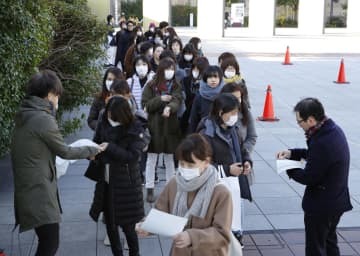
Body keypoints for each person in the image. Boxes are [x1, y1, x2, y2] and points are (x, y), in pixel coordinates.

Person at [11, 70, 102, 256]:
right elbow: (65, 151)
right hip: (39, 190)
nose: (58, 99)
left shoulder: (26, 114)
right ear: (49, 94)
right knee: (50, 242)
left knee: (47, 239)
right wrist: (94, 150)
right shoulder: (43, 119)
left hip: (29, 187)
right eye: (57, 95)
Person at [276, 98, 353, 256]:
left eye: (300, 122)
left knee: (315, 247)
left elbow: (309, 177)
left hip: (322, 205)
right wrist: (293, 153)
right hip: (336, 200)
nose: (299, 125)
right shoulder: (331, 129)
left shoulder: (322, 141)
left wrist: (288, 167)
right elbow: (317, 156)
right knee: (329, 242)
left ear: (310, 120)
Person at [136, 133, 233, 256]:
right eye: (182, 164)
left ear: (206, 162)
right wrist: (147, 226)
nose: (185, 169)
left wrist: (191, 237)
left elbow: (222, 234)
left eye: (191, 165)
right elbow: (160, 213)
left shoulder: (221, 192)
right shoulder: (174, 183)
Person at [87, 96, 146, 256]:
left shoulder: (134, 128)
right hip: (106, 182)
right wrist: (91, 153)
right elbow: (96, 141)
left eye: (113, 114)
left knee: (128, 226)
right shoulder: (103, 122)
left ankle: (135, 253)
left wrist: (110, 148)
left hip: (126, 183)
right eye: (108, 113)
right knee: (110, 225)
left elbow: (133, 156)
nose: (109, 117)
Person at [197, 93, 253, 246]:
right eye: (233, 113)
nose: (236, 116)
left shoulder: (232, 129)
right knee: (220, 221)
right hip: (216, 186)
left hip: (234, 184)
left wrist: (247, 161)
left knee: (233, 216)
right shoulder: (206, 133)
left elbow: (242, 150)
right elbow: (201, 165)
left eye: (237, 112)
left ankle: (235, 236)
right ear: (221, 112)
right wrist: (227, 170)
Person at [141, 57, 183, 203]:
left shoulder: (176, 85)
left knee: (170, 159)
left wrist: (169, 107)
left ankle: (170, 190)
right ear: (161, 70)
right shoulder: (151, 85)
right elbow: (145, 105)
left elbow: (177, 100)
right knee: (151, 160)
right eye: (167, 69)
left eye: (172, 69)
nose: (170, 72)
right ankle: (150, 189)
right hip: (154, 128)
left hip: (171, 128)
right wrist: (161, 99)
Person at [188, 65, 224, 133]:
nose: (213, 80)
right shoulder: (200, 96)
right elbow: (193, 119)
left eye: (216, 77)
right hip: (204, 132)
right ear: (205, 79)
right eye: (210, 77)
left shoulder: (225, 94)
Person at [180, 56, 209, 135]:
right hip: (187, 116)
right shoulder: (186, 80)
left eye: (198, 70)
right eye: (194, 69)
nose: (195, 71)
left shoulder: (208, 84)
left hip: (201, 118)